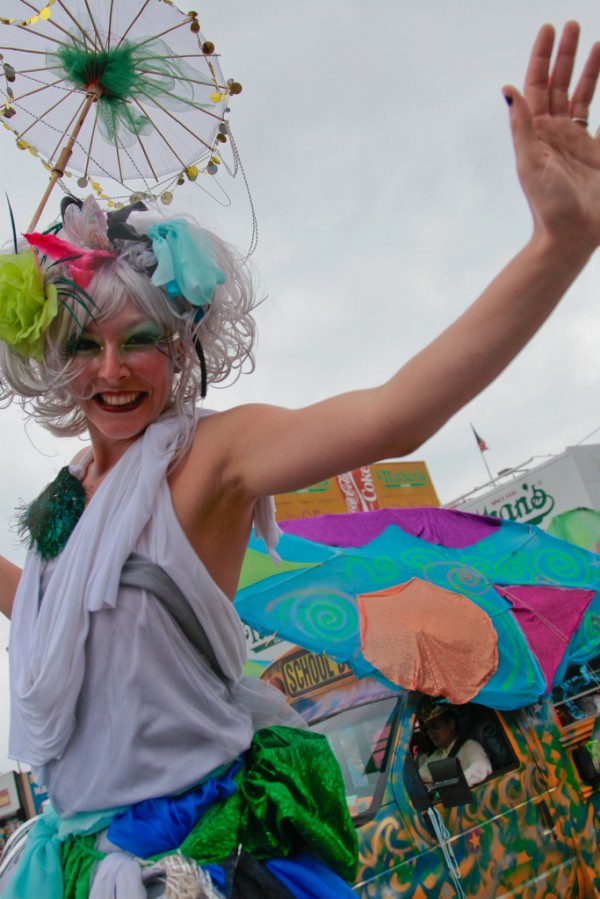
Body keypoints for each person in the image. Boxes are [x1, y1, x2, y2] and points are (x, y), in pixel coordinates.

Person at [0, 19, 599, 899]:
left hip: (194, 864)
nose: (115, 368)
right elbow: (63, 613)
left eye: (142, 339)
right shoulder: (67, 497)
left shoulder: (210, 458)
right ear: (56, 357)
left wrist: (560, 245)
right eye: (87, 345)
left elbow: (393, 415)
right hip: (80, 859)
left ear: (182, 347)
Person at [416, 700, 492, 788]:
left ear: (451, 724)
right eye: (427, 729)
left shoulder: (469, 747)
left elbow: (481, 768)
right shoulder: (436, 756)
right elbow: (421, 777)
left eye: (435, 726)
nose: (431, 732)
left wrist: (455, 784)